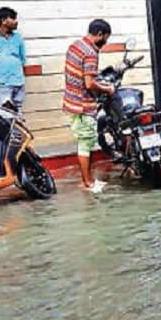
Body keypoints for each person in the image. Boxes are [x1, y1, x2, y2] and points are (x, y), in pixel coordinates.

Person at [62, 19, 116, 194]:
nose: (105, 43)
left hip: (71, 100)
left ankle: (88, 179)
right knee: (85, 144)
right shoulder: (91, 53)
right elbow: (89, 83)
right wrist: (107, 89)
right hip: (83, 105)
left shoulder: (76, 46)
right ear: (99, 34)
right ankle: (88, 183)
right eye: (105, 39)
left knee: (83, 142)